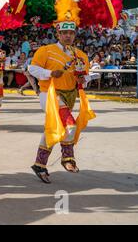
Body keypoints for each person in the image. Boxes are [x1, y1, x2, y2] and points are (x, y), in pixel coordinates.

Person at [29, 17, 95, 184]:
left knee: (53, 128)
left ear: (75, 35)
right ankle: (68, 159)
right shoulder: (46, 50)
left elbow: (83, 78)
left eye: (71, 33)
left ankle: (39, 164)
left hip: (70, 95)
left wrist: (84, 80)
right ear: (57, 33)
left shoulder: (80, 55)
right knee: (69, 125)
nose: (67, 36)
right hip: (49, 94)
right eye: (64, 32)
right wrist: (51, 73)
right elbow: (32, 69)